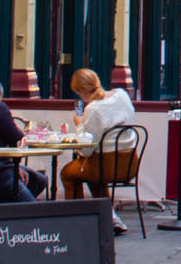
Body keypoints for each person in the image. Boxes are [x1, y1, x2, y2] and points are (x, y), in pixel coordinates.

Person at [58, 69, 139, 213]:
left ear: (81, 92)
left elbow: (86, 150)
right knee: (91, 171)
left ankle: (77, 217)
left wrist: (80, 123)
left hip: (106, 167)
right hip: (130, 164)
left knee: (68, 173)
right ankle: (109, 216)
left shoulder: (94, 109)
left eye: (79, 94)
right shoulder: (122, 95)